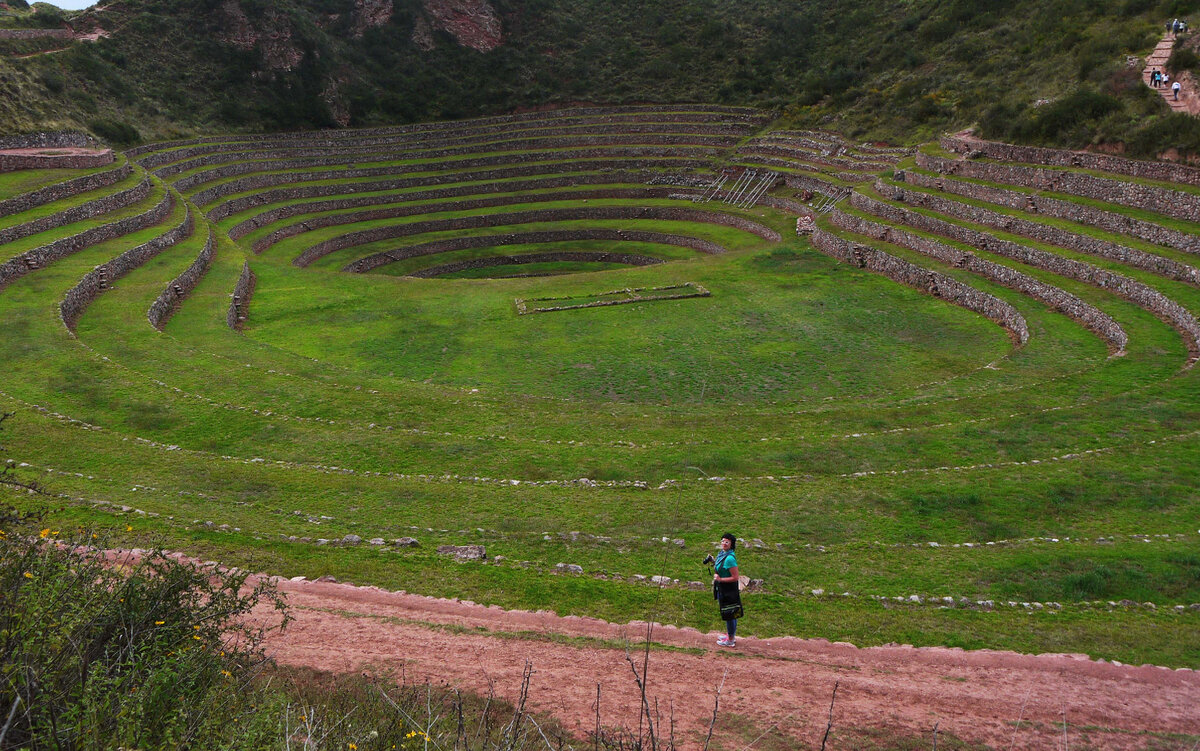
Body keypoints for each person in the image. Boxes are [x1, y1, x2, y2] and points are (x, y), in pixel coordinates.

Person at [712, 533, 742, 647]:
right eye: (723, 541)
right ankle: (730, 635)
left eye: (727, 542)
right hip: (722, 589)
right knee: (728, 613)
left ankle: (730, 640)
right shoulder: (722, 554)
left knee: (730, 613)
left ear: (731, 544)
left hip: (728, 590)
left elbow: (735, 577)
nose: (724, 543)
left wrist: (720, 579)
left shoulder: (729, 558)